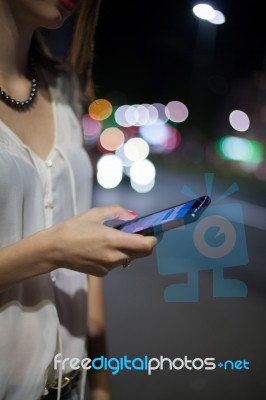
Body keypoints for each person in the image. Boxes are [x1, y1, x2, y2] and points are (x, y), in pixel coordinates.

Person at [0, 1, 157, 399]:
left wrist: (101, 383)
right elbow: (68, 249)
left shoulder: (65, 90)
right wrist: (54, 249)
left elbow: (85, 271)